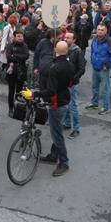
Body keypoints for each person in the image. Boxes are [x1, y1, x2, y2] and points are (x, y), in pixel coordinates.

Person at [38, 41, 76, 177]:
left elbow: (51, 91)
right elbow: (72, 82)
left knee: (57, 134)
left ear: (55, 50)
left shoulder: (55, 68)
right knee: (57, 129)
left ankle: (64, 162)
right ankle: (54, 155)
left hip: (57, 103)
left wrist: (35, 93)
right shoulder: (70, 65)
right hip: (65, 100)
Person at [86, 24, 111, 115]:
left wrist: (108, 65)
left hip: (104, 69)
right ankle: (95, 103)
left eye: (102, 30)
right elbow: (92, 51)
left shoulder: (109, 41)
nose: (100, 31)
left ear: (106, 31)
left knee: (105, 89)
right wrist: (92, 60)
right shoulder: (95, 39)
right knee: (94, 87)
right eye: (98, 29)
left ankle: (106, 107)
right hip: (95, 67)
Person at [63, 32, 86, 139]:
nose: (66, 39)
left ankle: (76, 129)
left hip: (72, 83)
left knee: (73, 106)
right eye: (65, 37)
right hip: (64, 82)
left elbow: (82, 69)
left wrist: (74, 79)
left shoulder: (78, 52)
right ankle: (67, 123)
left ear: (74, 40)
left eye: (68, 38)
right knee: (66, 103)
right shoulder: (64, 49)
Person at [5, 30, 29, 116]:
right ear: (14, 37)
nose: (20, 38)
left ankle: (18, 108)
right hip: (11, 71)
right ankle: (10, 108)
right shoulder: (10, 45)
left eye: (21, 36)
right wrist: (18, 57)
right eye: (18, 36)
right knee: (11, 91)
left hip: (21, 71)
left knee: (19, 91)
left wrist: (14, 56)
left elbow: (26, 56)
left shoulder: (25, 46)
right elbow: (8, 56)